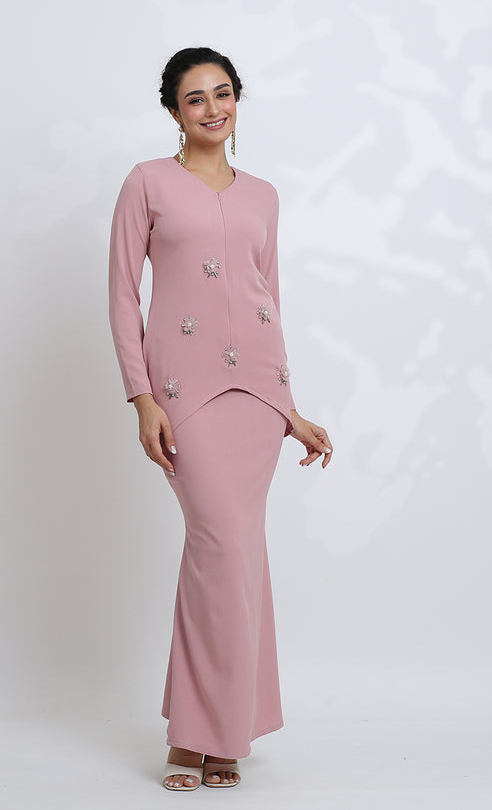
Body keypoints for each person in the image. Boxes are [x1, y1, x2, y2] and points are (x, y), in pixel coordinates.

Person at [108, 47, 332, 791]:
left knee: (236, 555)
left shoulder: (264, 195)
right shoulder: (147, 183)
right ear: (174, 111)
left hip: (259, 400)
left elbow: (270, 298)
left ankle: (214, 731)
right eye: (196, 98)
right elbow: (122, 295)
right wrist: (142, 398)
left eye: (224, 93)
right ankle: (203, 731)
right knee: (220, 548)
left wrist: (290, 409)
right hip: (183, 395)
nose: (213, 108)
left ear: (238, 101)